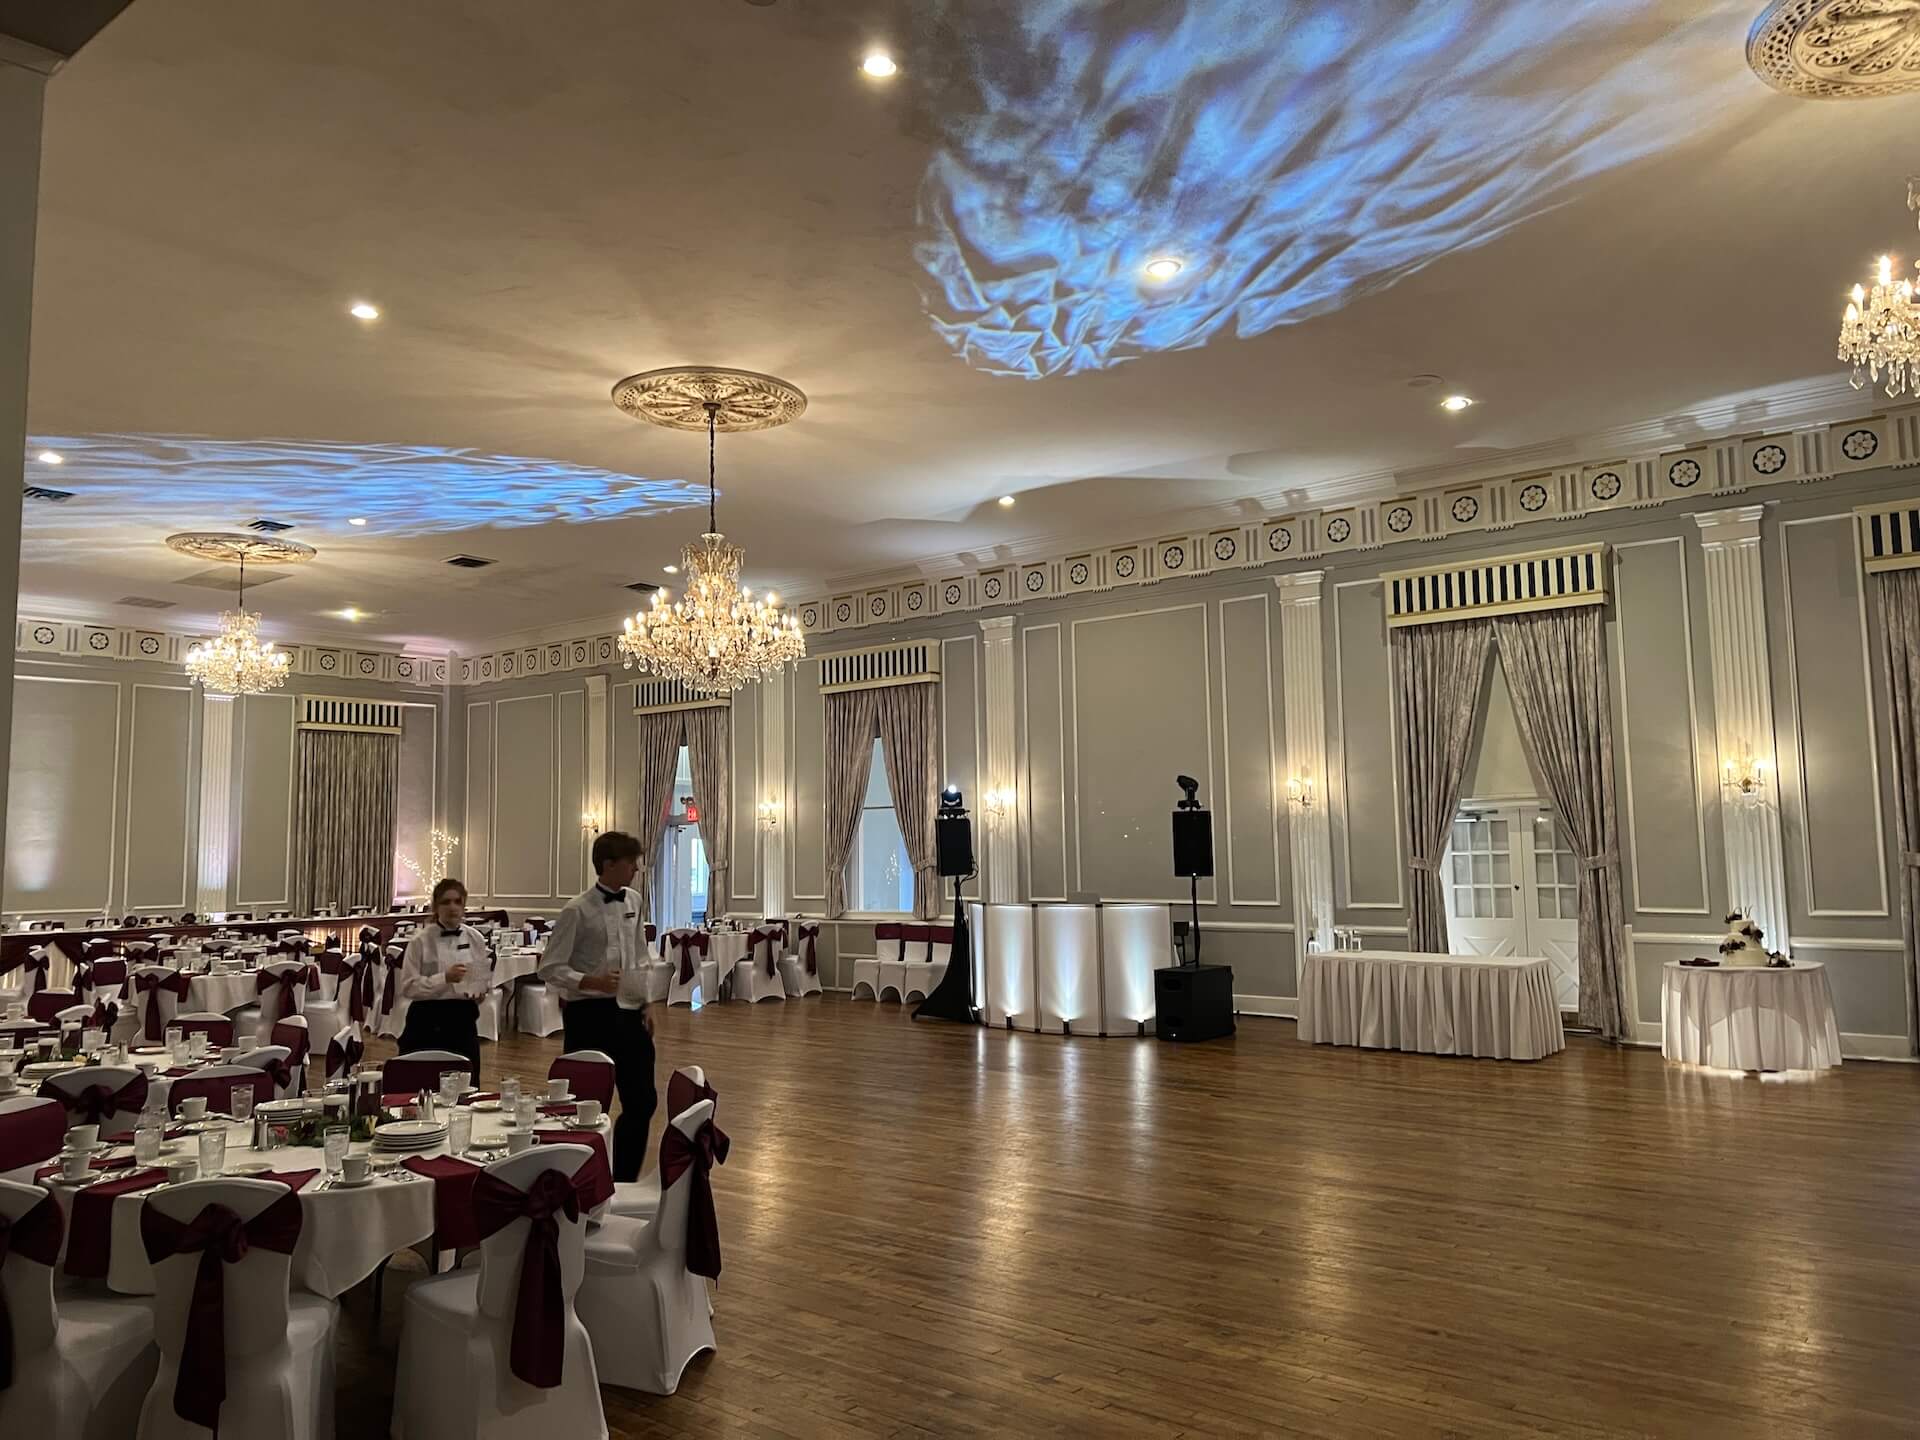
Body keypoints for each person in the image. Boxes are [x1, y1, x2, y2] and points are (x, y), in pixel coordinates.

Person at [539, 830, 656, 1180]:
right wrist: (589, 981)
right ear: (608, 864)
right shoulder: (576, 910)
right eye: (630, 862)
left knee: (642, 1101)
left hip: (629, 1014)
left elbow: (639, 956)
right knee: (586, 1104)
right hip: (589, 1016)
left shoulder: (634, 900)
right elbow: (549, 967)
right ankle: (580, 1179)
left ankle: (623, 1179)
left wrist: (647, 1003)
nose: (636, 869)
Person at [396, 876, 489, 1082]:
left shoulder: (476, 939)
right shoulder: (419, 941)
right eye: (446, 902)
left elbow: (480, 984)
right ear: (436, 906)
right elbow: (408, 987)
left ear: (464, 905)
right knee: (423, 1083)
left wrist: (480, 990)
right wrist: (444, 978)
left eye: (457, 901)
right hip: (426, 1020)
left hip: (463, 1021)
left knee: (466, 1085)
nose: (452, 907)